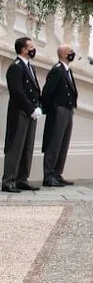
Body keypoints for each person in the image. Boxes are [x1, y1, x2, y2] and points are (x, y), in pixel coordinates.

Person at [2, 37, 42, 193]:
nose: (33, 49)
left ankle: (21, 179)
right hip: (20, 112)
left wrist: (38, 106)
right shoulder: (15, 67)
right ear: (23, 49)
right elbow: (17, 92)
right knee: (16, 147)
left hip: (30, 112)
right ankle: (8, 180)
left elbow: (35, 89)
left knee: (27, 147)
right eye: (31, 47)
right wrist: (30, 109)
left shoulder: (30, 67)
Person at [41, 44, 78, 187]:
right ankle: (49, 175)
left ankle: (57, 173)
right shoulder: (57, 71)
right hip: (59, 110)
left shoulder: (68, 70)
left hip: (68, 109)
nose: (72, 54)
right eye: (70, 52)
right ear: (63, 55)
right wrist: (51, 109)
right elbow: (48, 92)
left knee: (63, 143)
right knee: (54, 143)